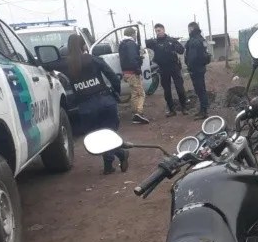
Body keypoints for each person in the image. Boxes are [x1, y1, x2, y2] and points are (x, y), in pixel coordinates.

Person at [56, 34, 128, 174]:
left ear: (68, 48)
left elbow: (46, 66)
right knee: (109, 133)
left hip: (86, 107)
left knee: (97, 137)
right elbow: (114, 78)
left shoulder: (65, 65)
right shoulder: (94, 59)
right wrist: (116, 94)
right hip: (106, 102)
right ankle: (119, 154)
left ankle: (110, 163)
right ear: (84, 46)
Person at [145, 23, 189, 117]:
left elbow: (181, 50)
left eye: (159, 30)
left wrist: (175, 46)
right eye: (156, 31)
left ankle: (184, 107)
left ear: (163, 30)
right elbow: (144, 45)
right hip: (163, 68)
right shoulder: (154, 42)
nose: (158, 32)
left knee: (180, 88)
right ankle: (171, 110)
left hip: (174, 67)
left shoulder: (171, 40)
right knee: (167, 90)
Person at [119, 27, 149, 124]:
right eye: (135, 34)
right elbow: (132, 59)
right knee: (141, 94)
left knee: (134, 94)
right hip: (133, 72)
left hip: (126, 73)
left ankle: (135, 114)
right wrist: (138, 68)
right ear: (132, 34)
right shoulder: (131, 44)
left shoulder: (122, 44)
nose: (136, 36)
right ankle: (139, 113)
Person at [185, 21, 211, 120]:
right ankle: (203, 109)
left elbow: (192, 57)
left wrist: (190, 67)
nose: (188, 31)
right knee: (201, 89)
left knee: (200, 90)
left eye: (189, 29)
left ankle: (203, 111)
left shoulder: (194, 41)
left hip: (196, 69)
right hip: (200, 67)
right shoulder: (201, 39)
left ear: (191, 29)